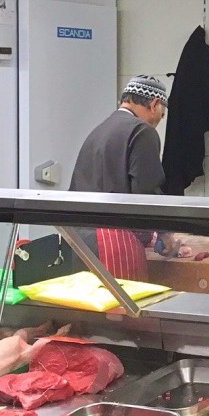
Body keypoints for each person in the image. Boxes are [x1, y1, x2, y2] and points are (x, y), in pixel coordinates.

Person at [69, 74, 168, 280]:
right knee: (124, 310)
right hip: (114, 246)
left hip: (78, 243)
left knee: (91, 311)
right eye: (162, 113)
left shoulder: (99, 131)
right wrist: (165, 235)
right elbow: (147, 195)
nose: (160, 120)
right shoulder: (143, 131)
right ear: (154, 104)